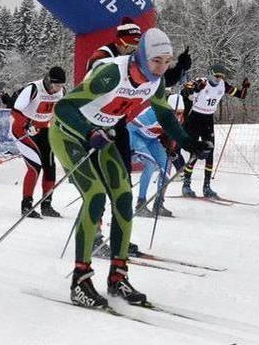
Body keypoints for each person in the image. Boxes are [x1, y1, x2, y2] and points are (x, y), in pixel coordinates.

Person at [51, 28, 210, 308]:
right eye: (156, 61)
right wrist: (89, 133)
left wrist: (188, 142)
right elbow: (64, 108)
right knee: (96, 195)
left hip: (105, 134)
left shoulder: (155, 82)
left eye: (167, 61)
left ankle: (118, 278)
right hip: (70, 133)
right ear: (142, 56)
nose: (161, 68)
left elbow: (164, 115)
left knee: (124, 198)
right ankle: (80, 280)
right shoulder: (112, 73)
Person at [180, 64, 249, 198]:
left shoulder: (223, 85)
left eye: (221, 76)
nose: (219, 79)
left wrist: (245, 88)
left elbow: (240, 95)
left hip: (208, 120)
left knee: (210, 152)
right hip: (194, 119)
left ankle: (207, 187)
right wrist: (194, 90)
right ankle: (186, 184)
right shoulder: (201, 82)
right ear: (211, 74)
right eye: (217, 76)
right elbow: (185, 92)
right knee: (195, 153)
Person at [11, 66, 66, 218]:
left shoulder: (61, 92)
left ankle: (46, 204)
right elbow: (15, 110)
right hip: (22, 130)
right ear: (49, 81)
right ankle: (26, 205)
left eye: (61, 86)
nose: (58, 89)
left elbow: (61, 112)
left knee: (50, 166)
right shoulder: (34, 88)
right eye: (56, 85)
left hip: (43, 130)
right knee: (35, 165)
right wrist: (27, 124)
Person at [128, 104, 176, 217]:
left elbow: (170, 135)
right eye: (175, 112)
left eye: (180, 112)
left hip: (151, 140)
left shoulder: (175, 119)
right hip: (136, 136)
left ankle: (158, 203)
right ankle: (141, 203)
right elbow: (129, 128)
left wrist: (171, 149)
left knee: (167, 165)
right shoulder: (151, 115)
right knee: (149, 165)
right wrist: (130, 149)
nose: (177, 116)